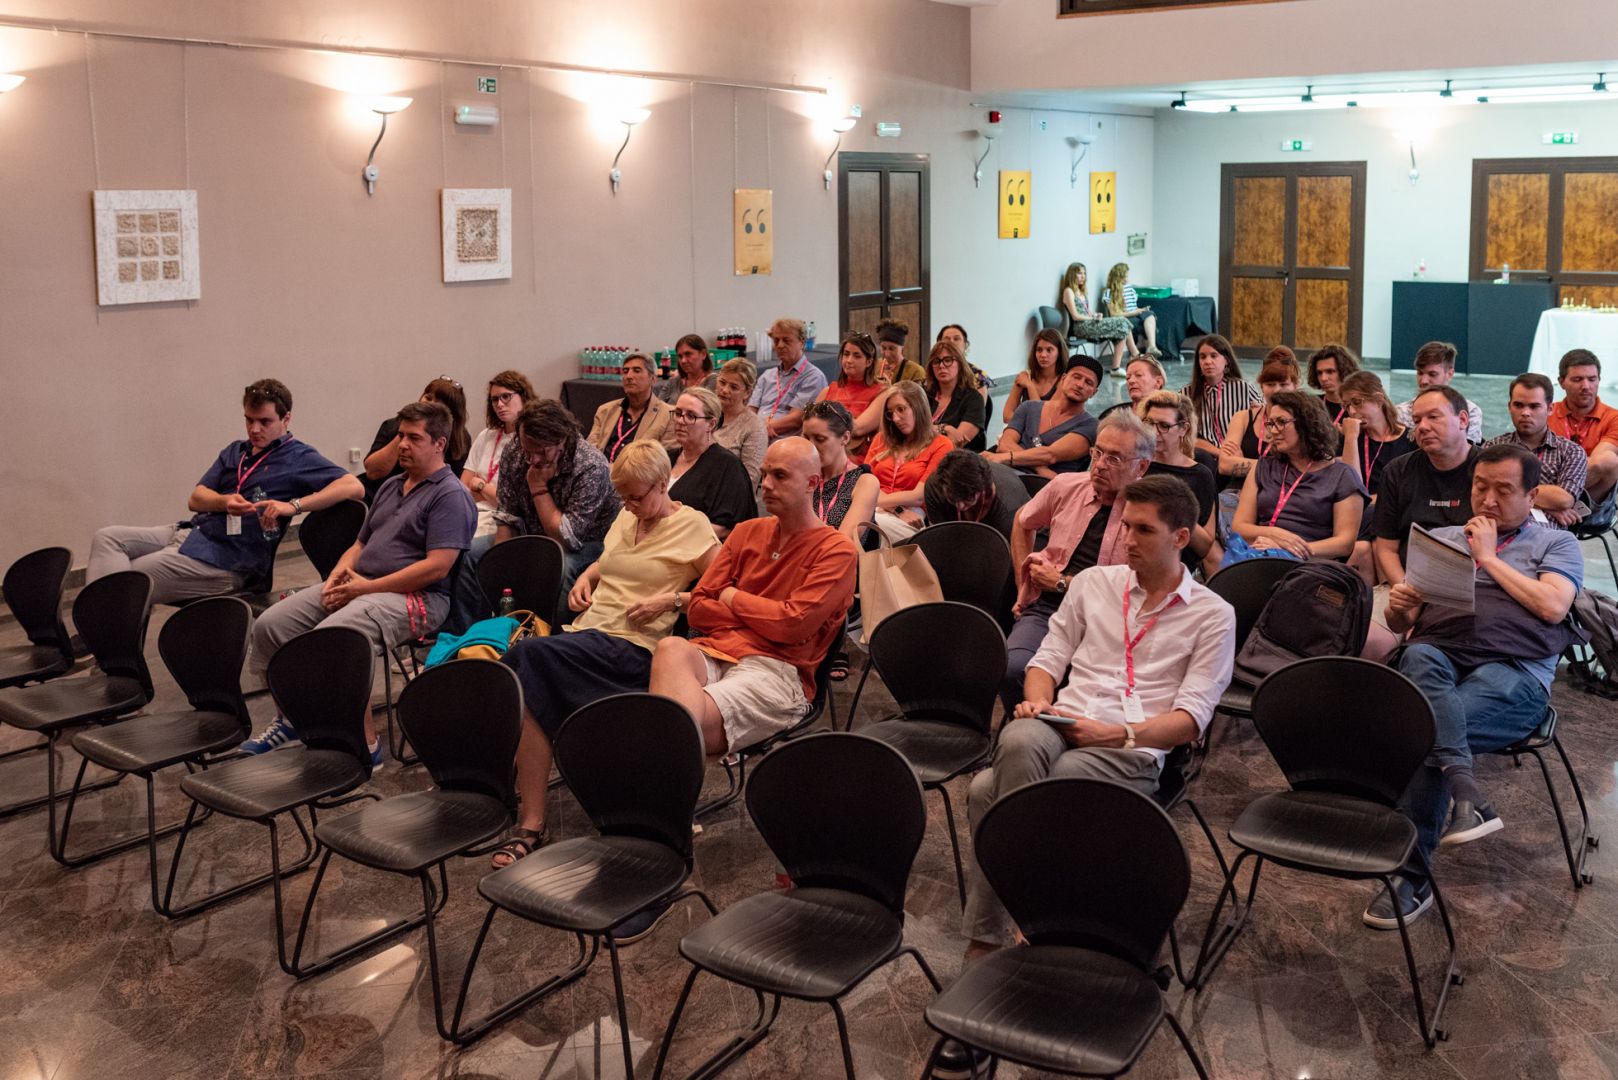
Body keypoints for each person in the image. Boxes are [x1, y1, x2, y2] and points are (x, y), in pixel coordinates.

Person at [962, 474, 1236, 955]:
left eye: (1144, 530)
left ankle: (989, 937)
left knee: (989, 790)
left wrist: (1114, 734)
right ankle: (1038, 912)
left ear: (1180, 538)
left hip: (1134, 744)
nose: (1128, 539)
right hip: (1064, 720)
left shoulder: (1213, 614)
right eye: (1126, 526)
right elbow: (1047, 660)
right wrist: (1038, 701)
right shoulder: (1093, 584)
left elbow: (1190, 720)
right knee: (1020, 738)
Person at [1369, 444, 1582, 928]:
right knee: (1418, 655)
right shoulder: (1443, 538)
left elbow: (1552, 607)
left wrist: (1486, 558)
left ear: (1532, 497)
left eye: (1503, 490)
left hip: (1514, 670)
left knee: (1428, 728)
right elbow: (1405, 625)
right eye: (1480, 487)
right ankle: (1468, 796)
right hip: (1441, 656)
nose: (1487, 500)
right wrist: (1401, 606)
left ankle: (1411, 876)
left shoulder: (1556, 544)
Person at [492, 441, 720, 865]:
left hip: (635, 649)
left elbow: (722, 592)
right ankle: (529, 816)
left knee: (526, 660)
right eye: (623, 497)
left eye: (636, 497)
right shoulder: (628, 516)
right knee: (525, 673)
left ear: (662, 484)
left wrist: (671, 600)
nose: (628, 506)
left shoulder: (693, 526)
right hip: (592, 635)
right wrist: (588, 576)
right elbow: (613, 560)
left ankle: (520, 810)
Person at [240, 402, 475, 761]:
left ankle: (364, 745)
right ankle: (290, 720)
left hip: (419, 599)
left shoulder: (450, 495)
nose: (402, 444)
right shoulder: (392, 485)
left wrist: (364, 588)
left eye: (414, 438)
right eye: (400, 436)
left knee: (338, 636)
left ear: (439, 444)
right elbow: (360, 544)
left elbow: (436, 568)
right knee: (272, 625)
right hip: (363, 584)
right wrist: (338, 575)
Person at [648, 437, 858, 756]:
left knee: (668, 726)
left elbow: (793, 625)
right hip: (718, 651)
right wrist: (767, 615)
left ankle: (661, 772)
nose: (766, 485)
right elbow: (700, 609)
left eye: (780, 476)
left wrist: (731, 596)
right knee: (670, 647)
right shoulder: (746, 531)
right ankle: (669, 767)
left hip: (776, 669)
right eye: (765, 474)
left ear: (812, 483)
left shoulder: (836, 551)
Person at [86, 379, 363, 603]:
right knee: (107, 539)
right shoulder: (236, 451)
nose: (254, 429)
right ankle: (108, 633)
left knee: (129, 579)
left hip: (228, 559)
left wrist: (294, 506)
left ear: (286, 419)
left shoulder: (298, 457)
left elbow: (353, 486)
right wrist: (224, 502)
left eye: (264, 422)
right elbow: (196, 499)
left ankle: (103, 638)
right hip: (194, 533)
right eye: (249, 420)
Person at [1001, 413, 1153, 709]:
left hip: (1113, 619)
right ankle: (1036, 725)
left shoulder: (1149, 512)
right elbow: (1022, 520)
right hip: (1049, 608)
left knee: (1100, 691)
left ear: (1142, 467)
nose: (1100, 465)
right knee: (1013, 668)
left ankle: (1066, 729)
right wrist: (1024, 582)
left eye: (1114, 458)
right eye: (1098, 453)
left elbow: (1144, 587)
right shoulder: (1066, 486)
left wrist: (1063, 583)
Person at [491, 400, 621, 623]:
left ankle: (553, 635)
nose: (533, 460)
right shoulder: (516, 450)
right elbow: (507, 515)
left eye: (542, 451)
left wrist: (538, 488)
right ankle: (483, 632)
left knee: (559, 565)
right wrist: (500, 558)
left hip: (588, 543)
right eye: (528, 451)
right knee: (476, 555)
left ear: (562, 440)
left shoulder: (590, 465)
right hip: (530, 533)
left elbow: (567, 539)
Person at [1231, 391, 1363, 561]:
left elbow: (1345, 543)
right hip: (1262, 554)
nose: (1273, 431)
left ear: (1307, 424)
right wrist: (1274, 534)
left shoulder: (1342, 475)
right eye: (1271, 423)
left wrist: (1288, 548)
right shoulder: (1263, 467)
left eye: (1281, 422)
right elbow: (1239, 527)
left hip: (1312, 562)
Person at [1373, 385, 1480, 584]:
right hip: (1412, 581)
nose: (1422, 427)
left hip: (1476, 580)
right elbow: (1386, 548)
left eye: (1433, 417)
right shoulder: (1397, 471)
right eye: (1416, 420)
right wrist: (1403, 587)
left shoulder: (1489, 469)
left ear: (1463, 420)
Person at [1337, 370, 1417, 584]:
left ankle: (1384, 592)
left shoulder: (1410, 439)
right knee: (1364, 544)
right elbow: (1350, 485)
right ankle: (1385, 594)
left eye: (1357, 402)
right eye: (1346, 405)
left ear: (1379, 399)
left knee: (1369, 536)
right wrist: (1351, 438)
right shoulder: (1349, 438)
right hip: (1358, 515)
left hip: (1394, 512)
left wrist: (1375, 501)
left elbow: (1410, 490)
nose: (1352, 411)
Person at [1485, 373, 1588, 529]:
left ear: (1550, 409)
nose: (1525, 412)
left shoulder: (1571, 452)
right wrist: (1548, 506)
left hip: (1546, 536)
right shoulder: (1493, 447)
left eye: (1534, 406)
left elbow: (1564, 499)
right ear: (1509, 407)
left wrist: (1506, 491)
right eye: (1518, 405)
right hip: (1498, 529)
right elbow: (1483, 494)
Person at [1138, 390, 1222, 575]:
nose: (1154, 432)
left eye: (1164, 426)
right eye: (1149, 423)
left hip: (1175, 566)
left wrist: (1175, 507)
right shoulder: (1136, 464)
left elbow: (1205, 546)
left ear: (1183, 429)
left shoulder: (1199, 475)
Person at [865, 381, 955, 541]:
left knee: (862, 527)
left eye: (901, 409)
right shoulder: (881, 439)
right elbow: (862, 481)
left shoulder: (941, 444)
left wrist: (875, 500)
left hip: (912, 516)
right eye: (890, 413)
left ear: (918, 407)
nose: (895, 418)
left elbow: (919, 496)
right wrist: (896, 509)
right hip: (877, 508)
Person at [987, 354, 1102, 477]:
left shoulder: (1091, 426)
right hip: (1009, 471)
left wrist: (1007, 457)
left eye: (1088, 382)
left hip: (1043, 484)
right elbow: (1004, 444)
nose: (1080, 385)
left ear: (1094, 392)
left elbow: (1050, 455)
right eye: (1076, 377)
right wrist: (1039, 468)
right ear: (1063, 378)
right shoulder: (1029, 407)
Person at [361, 377, 471, 502]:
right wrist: (405, 434)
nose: (430, 404)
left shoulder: (461, 439)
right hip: (378, 494)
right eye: (428, 398)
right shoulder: (392, 425)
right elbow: (372, 472)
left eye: (415, 438)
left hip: (423, 500)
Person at [668, 387, 757, 540]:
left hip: (695, 547)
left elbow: (725, 527)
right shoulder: (667, 457)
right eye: (678, 413)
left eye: (691, 416)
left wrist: (670, 537)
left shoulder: (728, 467)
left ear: (711, 424)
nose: (681, 421)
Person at [1550, 348, 1618, 527]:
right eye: (1577, 379)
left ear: (1599, 380)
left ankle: (1553, 504)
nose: (1586, 386)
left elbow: (1600, 463)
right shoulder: (1547, 412)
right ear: (1561, 382)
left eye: (1592, 379)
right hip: (1544, 491)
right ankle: (1553, 504)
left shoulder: (1614, 418)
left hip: (1591, 508)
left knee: (1608, 460)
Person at [462, 370, 534, 539]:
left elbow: (514, 505)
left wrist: (481, 486)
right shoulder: (486, 435)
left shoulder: (531, 440)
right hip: (472, 512)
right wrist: (492, 494)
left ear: (523, 396)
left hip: (503, 522)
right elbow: (463, 489)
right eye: (495, 399)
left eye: (506, 397)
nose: (500, 404)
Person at [801, 401, 880, 546]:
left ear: (845, 438)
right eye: (806, 438)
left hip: (838, 557)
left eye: (820, 439)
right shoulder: (802, 476)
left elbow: (844, 543)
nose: (811, 446)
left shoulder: (864, 482)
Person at [1218, 352, 1302, 485]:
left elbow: (1297, 470)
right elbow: (1224, 466)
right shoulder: (1242, 418)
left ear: (1295, 386)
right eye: (1270, 384)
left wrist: (1243, 462)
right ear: (1261, 386)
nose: (1276, 390)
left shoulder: (1303, 421)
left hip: (1283, 490)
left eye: (1283, 384)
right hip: (1239, 489)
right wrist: (1275, 468)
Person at [812, 331, 889, 460]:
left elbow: (858, 428)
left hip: (858, 460)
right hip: (823, 457)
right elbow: (810, 425)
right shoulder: (828, 391)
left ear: (869, 361)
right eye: (846, 354)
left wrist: (824, 421)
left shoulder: (881, 393)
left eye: (857, 356)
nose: (849, 360)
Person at [922, 450, 1031, 541]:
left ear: (982, 489)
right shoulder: (935, 488)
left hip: (1021, 538)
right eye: (953, 498)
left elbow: (1012, 554)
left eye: (967, 499)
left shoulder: (1008, 506)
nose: (960, 506)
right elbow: (941, 539)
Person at [1182, 334, 1261, 457]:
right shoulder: (1186, 393)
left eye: (1214, 356)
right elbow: (1185, 436)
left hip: (1238, 454)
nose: (1207, 361)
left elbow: (1263, 422)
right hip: (1204, 456)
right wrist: (1221, 453)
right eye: (1202, 357)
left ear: (1226, 361)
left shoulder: (1244, 388)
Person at [587, 353, 676, 461]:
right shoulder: (605, 410)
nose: (628, 376)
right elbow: (590, 451)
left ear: (653, 379)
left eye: (636, 371)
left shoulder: (669, 415)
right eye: (625, 371)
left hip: (639, 470)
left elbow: (664, 461)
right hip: (601, 469)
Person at [750, 318, 828, 440]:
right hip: (754, 436)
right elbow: (750, 410)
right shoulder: (767, 376)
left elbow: (796, 419)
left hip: (785, 441)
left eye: (786, 340)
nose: (780, 345)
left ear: (801, 342)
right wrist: (756, 428)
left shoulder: (813, 377)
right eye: (776, 341)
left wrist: (762, 428)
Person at [1396, 342, 1483, 443]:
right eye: (1420, 373)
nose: (1423, 381)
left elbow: (1467, 449)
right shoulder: (1401, 413)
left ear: (1450, 374)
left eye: (1432, 374)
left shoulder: (1471, 412)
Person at [1058, 261, 1132, 373]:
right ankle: (1133, 355)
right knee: (1122, 322)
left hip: (1090, 324)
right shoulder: (1068, 291)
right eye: (1079, 273)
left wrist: (1095, 315)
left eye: (1084, 273)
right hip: (1080, 328)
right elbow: (1075, 316)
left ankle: (1116, 367)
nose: (1083, 276)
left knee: (1122, 329)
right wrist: (1093, 318)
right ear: (1072, 274)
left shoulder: (1081, 292)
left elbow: (1087, 312)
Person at [714, 358, 769, 488]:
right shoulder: (705, 413)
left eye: (734, 387)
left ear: (747, 393)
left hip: (729, 493)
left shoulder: (755, 427)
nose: (725, 390)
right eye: (722, 382)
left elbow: (749, 481)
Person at [925, 339, 988, 452]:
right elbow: (909, 429)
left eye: (948, 360)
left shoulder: (974, 399)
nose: (941, 366)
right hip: (918, 453)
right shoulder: (925, 394)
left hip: (956, 458)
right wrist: (945, 428)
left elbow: (955, 443)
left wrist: (924, 432)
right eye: (936, 361)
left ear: (960, 364)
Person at [1001, 330, 1068, 425]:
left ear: (1059, 352)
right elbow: (1006, 416)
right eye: (1039, 350)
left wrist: (1030, 386)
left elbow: (1045, 419)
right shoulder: (1025, 376)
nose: (1043, 355)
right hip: (1022, 431)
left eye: (1049, 350)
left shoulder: (1063, 381)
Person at [1100, 261, 1161, 360]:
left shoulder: (1130, 289)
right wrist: (1134, 313)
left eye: (1127, 276)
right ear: (1118, 277)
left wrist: (1141, 310)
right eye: (1125, 276)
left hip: (1134, 317)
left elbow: (1134, 308)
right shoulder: (1109, 292)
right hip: (1124, 319)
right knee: (1142, 322)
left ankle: (1152, 347)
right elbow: (1114, 314)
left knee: (1150, 314)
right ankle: (1137, 353)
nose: (1127, 279)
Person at [935, 323, 995, 403]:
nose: (951, 342)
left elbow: (978, 408)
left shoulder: (978, 376)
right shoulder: (934, 370)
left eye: (956, 339)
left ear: (965, 345)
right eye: (947, 339)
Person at [654, 333, 719, 404]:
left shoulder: (713, 381)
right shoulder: (674, 382)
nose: (683, 360)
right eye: (680, 356)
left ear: (703, 354)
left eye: (688, 354)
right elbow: (658, 406)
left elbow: (704, 408)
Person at [1308, 343, 1361, 425]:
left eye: (1330, 372)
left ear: (1345, 371)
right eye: (1319, 373)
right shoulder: (1311, 404)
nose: (1323, 378)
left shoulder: (1358, 407)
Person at [875, 317, 926, 385]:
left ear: (902, 347)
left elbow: (916, 392)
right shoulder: (875, 366)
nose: (887, 354)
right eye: (883, 348)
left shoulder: (915, 371)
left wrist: (889, 387)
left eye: (892, 348)